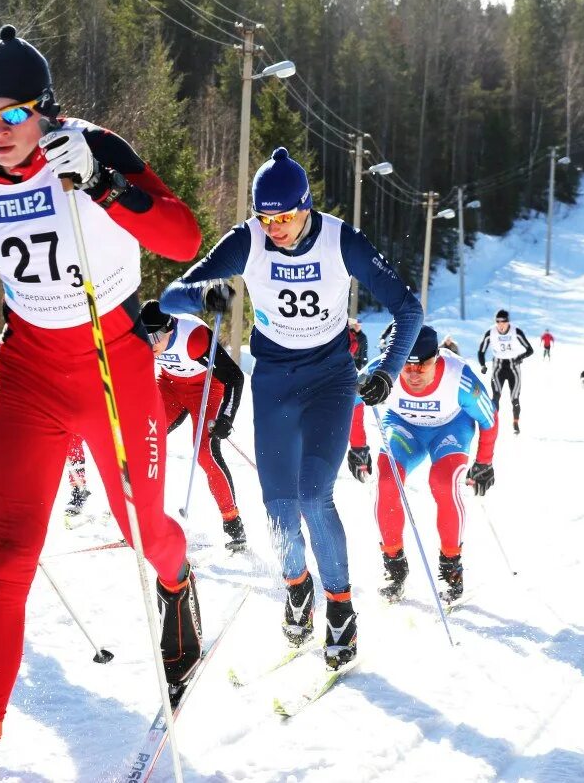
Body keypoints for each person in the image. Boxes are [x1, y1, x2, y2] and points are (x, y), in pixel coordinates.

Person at [0, 25, 203, 781]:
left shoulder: (93, 147)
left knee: (144, 532)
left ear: (46, 110)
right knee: (10, 557)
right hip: (28, 371)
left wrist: (106, 185)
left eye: (14, 115)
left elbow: (182, 238)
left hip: (114, 362)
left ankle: (179, 584)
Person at [160, 146, 422, 671]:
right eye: (265, 216)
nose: (274, 227)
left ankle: (341, 609)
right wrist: (203, 295)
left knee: (312, 495)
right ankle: (297, 588)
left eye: (284, 216)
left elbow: (408, 307)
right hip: (276, 380)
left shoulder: (340, 239)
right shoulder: (248, 241)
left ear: (307, 207)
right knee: (278, 504)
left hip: (329, 379)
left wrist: (388, 372)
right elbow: (171, 294)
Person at [347, 325, 497, 604]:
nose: (414, 374)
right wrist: (357, 446)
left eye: (423, 366)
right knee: (387, 482)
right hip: (404, 428)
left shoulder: (458, 378)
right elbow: (353, 400)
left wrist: (484, 462)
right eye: (407, 366)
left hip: (449, 429)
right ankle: (394, 567)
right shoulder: (381, 369)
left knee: (443, 482)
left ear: (437, 358)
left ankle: (451, 567)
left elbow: (489, 419)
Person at [140, 300, 247, 550]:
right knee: (144, 444)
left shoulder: (194, 338)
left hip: (206, 389)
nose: (150, 343)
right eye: (145, 336)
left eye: (155, 336)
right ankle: (143, 520)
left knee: (206, 454)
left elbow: (235, 377)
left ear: (169, 329)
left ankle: (233, 524)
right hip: (169, 387)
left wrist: (226, 418)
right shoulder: (147, 338)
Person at [476, 309, 534, 434]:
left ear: (508, 322)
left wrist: (520, 358)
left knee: (514, 398)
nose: (501, 324)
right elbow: (481, 351)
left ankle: (515, 423)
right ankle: (494, 423)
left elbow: (530, 350)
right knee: (496, 395)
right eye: (498, 321)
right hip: (498, 366)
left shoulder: (516, 331)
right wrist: (482, 365)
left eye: (503, 321)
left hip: (513, 367)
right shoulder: (490, 332)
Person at [63, 435, 92, 518]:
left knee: (79, 476)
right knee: (73, 478)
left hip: (78, 455)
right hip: (72, 454)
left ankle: (81, 498)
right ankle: (77, 496)